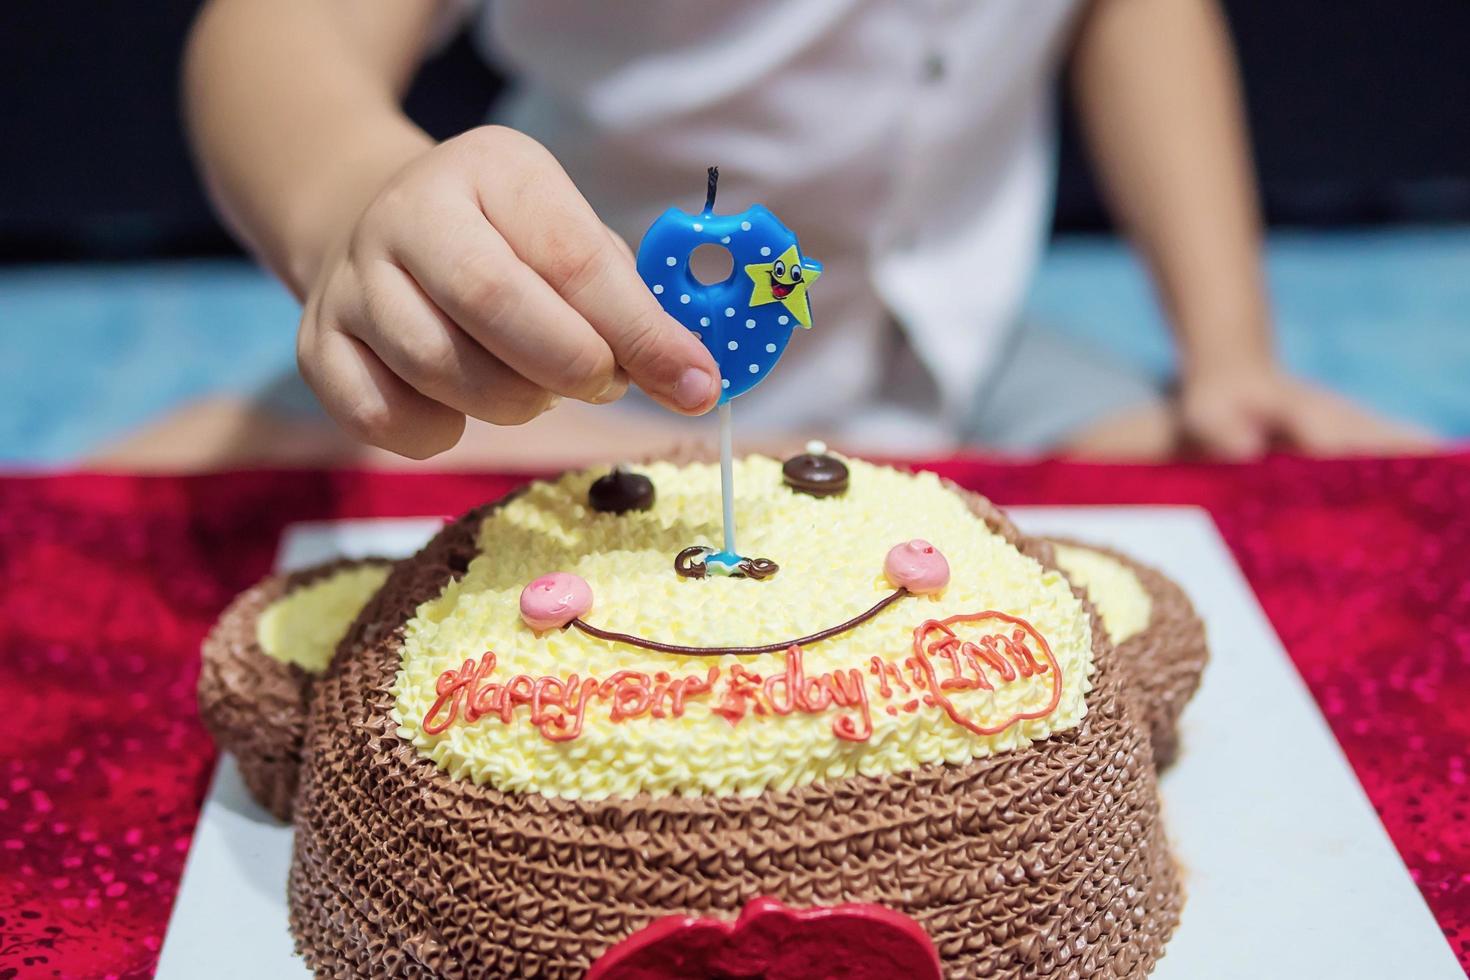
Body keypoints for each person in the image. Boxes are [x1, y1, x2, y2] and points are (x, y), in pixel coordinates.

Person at [182, 0, 1431, 463]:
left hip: (961, 332)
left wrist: (1231, 352)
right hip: (557, 361)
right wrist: (356, 195)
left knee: (1232, 481)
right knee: (213, 493)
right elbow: (282, 28)